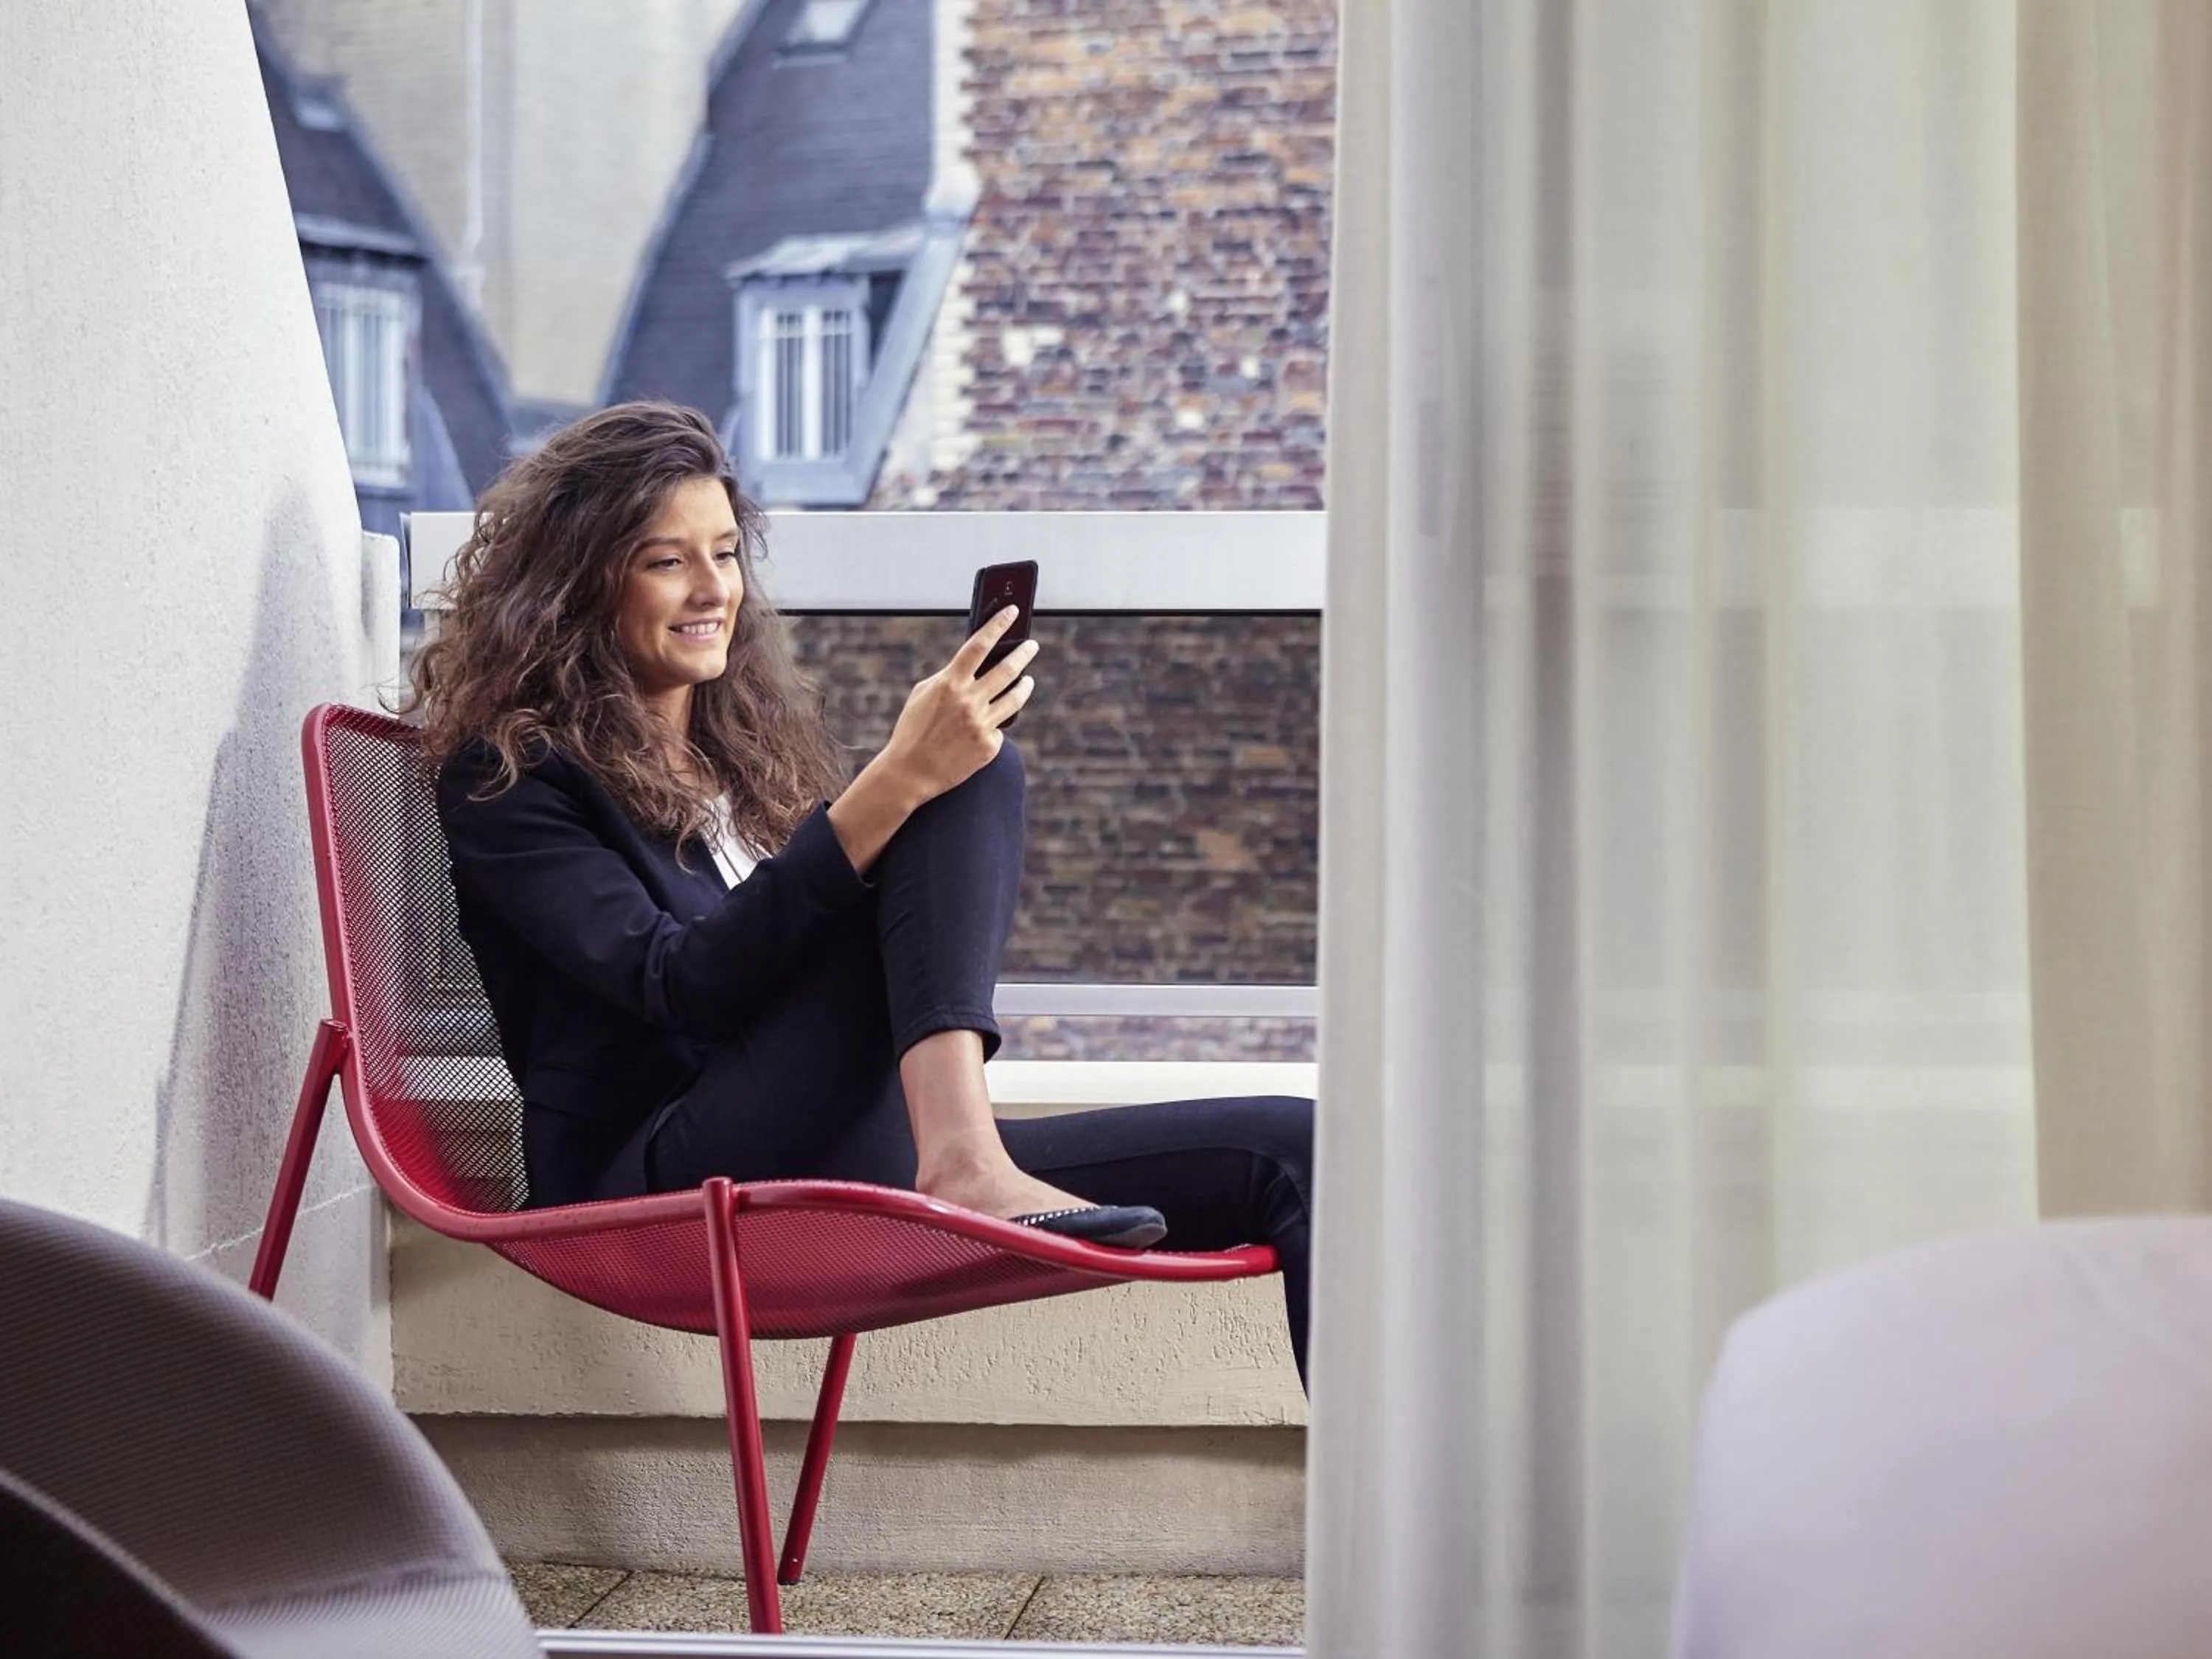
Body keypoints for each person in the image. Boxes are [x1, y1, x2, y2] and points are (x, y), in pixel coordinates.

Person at [408, 402, 1312, 1383]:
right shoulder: (513, 775)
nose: (714, 588)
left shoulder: (734, 756)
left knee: (1295, 1149)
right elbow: (677, 986)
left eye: (726, 553)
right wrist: (890, 786)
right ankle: (965, 1162)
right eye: (667, 561)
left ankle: (1371, 1511)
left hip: (831, 1145)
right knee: (934, 781)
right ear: (579, 584)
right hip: (651, 1183)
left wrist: (902, 792)